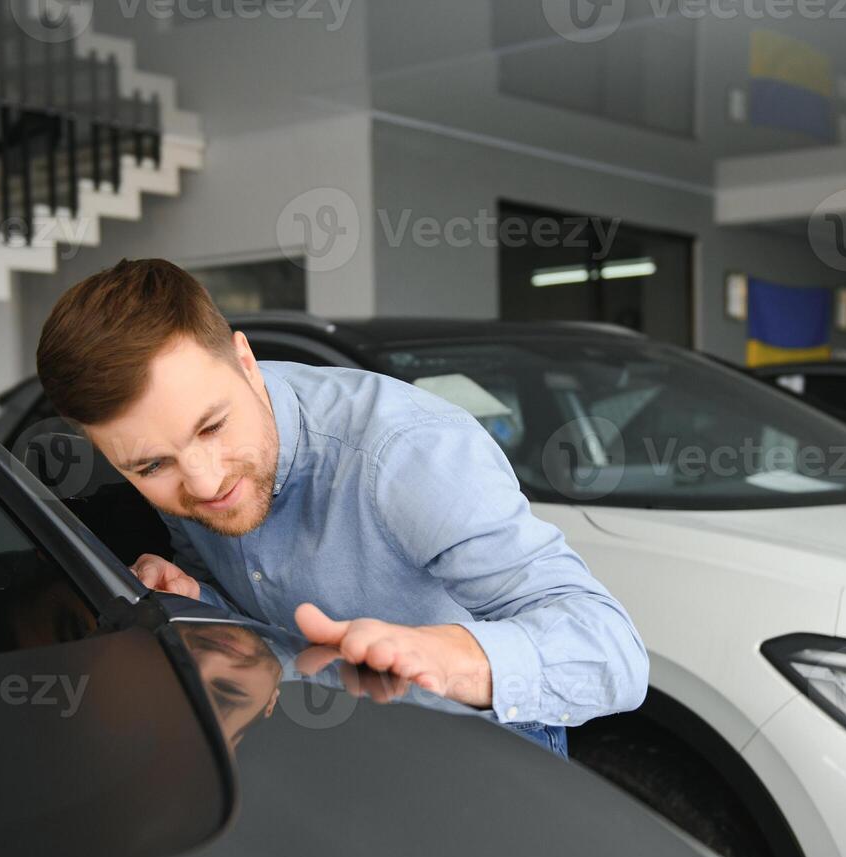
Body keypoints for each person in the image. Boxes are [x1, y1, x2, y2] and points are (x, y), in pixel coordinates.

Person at [35, 259, 648, 755]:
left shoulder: (406, 453)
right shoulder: (185, 462)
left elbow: (613, 652)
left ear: (246, 363)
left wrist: (448, 658)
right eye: (151, 466)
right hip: (328, 755)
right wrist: (203, 604)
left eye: (213, 427)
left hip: (483, 751)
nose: (203, 482)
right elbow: (269, 621)